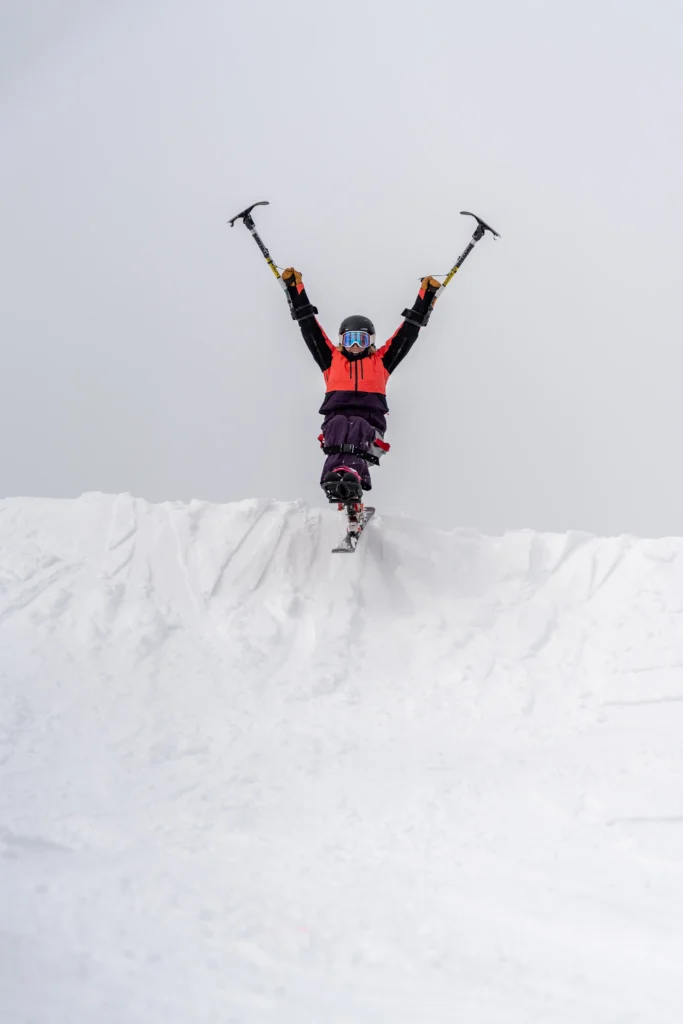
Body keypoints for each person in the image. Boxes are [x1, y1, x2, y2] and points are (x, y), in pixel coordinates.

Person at [282, 267, 442, 504]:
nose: (355, 345)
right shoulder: (330, 360)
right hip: (335, 422)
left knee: (356, 425)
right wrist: (296, 290)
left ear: (371, 342)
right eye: (350, 339)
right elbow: (310, 328)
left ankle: (354, 475)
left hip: (370, 425)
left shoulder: (382, 362)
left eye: (361, 339)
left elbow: (407, 333)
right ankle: (335, 477)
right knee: (339, 423)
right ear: (341, 341)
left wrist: (426, 296)